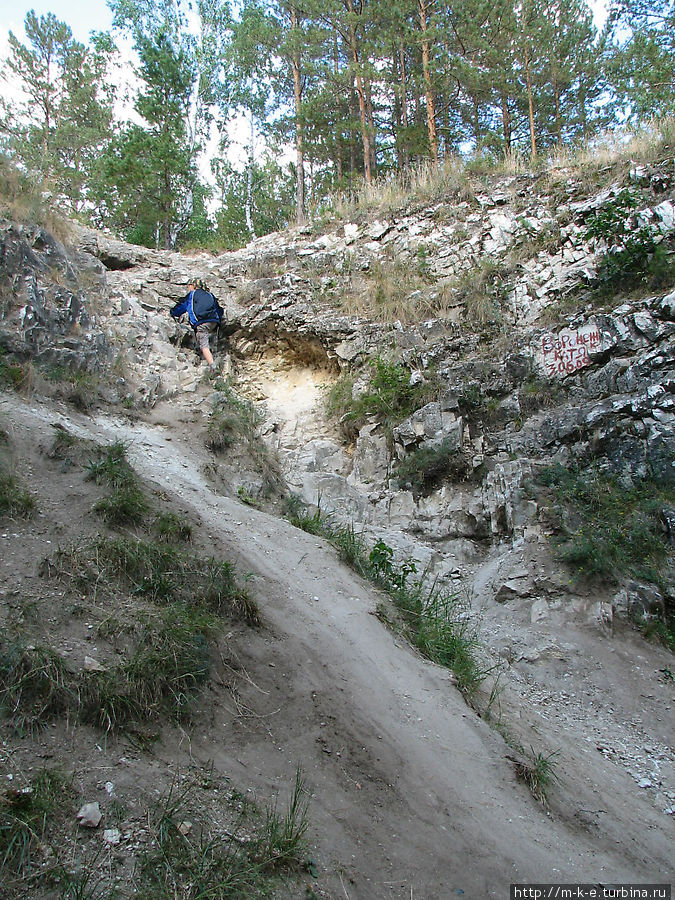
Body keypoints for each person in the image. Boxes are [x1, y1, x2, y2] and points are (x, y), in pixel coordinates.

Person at [170, 279, 224, 371]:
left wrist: (172, 312)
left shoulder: (192, 295)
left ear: (194, 286)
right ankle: (215, 352)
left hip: (201, 323)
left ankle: (213, 366)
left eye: (190, 285)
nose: (189, 287)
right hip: (214, 322)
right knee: (207, 335)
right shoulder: (210, 295)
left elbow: (182, 307)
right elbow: (219, 309)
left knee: (204, 345)